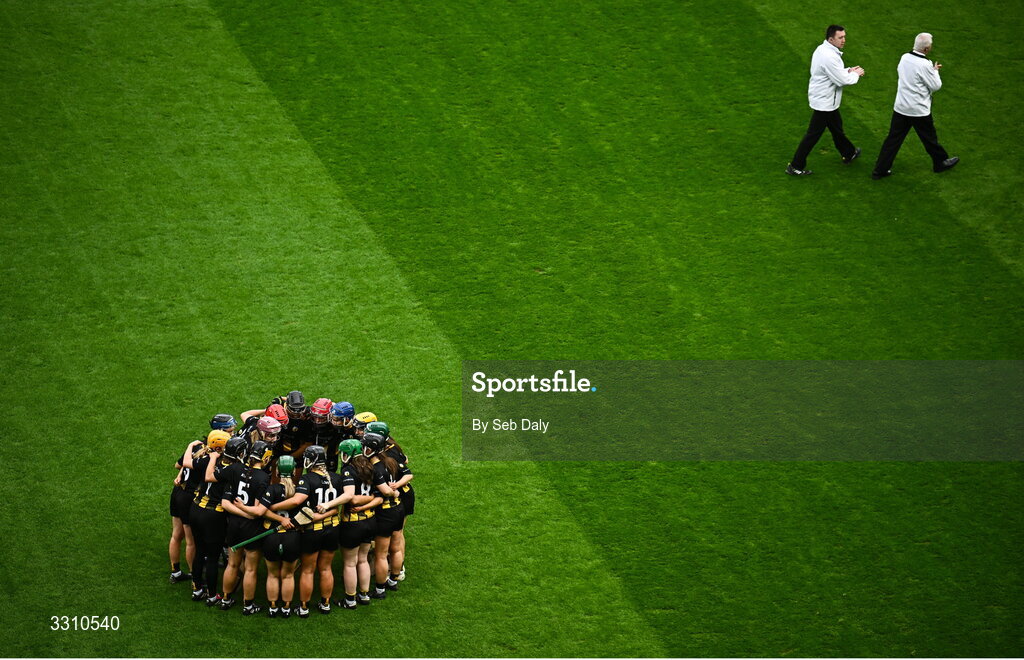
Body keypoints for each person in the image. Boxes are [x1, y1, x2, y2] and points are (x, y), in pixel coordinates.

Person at [871, 33, 959, 179]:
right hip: (918, 110)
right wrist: (935, 71)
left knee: (893, 139)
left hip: (901, 107)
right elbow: (936, 86)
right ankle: (940, 162)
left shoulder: (904, 57)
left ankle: (880, 170)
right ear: (926, 49)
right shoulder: (925, 64)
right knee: (929, 139)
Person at [271, 445, 344, 617]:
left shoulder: (306, 479)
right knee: (326, 568)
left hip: (313, 531)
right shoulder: (336, 477)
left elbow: (297, 501)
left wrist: (272, 507)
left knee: (308, 570)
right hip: (333, 528)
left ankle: (304, 608)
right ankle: (325, 604)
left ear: (310, 461)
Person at [787, 25, 866, 176]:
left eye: (844, 36)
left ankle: (849, 152)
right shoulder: (830, 56)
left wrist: (848, 70)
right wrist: (856, 74)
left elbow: (833, 73)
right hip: (825, 102)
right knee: (813, 134)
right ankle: (796, 165)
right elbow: (841, 80)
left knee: (837, 128)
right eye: (840, 37)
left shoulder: (822, 50)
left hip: (826, 99)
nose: (844, 40)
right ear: (831, 39)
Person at [319, 439, 380, 609]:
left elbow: (349, 496)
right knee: (363, 560)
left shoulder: (348, 471)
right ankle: (365, 594)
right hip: (370, 520)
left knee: (350, 563)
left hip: (353, 524)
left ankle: (350, 599)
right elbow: (377, 494)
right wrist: (369, 501)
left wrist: (327, 505)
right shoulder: (370, 467)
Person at [219, 440, 272, 615]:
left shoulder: (235, 469)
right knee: (250, 568)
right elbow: (257, 511)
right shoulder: (264, 477)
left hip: (233, 525)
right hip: (252, 528)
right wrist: (246, 512)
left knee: (232, 564)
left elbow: (225, 503)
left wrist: (240, 511)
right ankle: (248, 605)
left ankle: (226, 599)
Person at [360, 432, 408, 599]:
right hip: (399, 509)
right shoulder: (391, 461)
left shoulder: (375, 469)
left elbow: (386, 491)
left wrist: (392, 492)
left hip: (385, 513)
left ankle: (380, 589)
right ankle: (393, 581)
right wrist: (397, 491)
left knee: (381, 553)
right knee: (395, 548)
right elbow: (408, 475)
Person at [252, 455, 301, 618]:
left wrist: (279, 519)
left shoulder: (271, 489)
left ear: (277, 471)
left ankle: (273, 607)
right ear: (294, 471)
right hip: (292, 538)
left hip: (271, 536)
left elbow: (262, 511)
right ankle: (286, 607)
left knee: (272, 574)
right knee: (288, 575)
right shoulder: (300, 491)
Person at [367, 421, 415, 582]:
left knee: (396, 537)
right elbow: (406, 462)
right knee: (394, 536)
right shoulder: (388, 450)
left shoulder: (387, 456)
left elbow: (406, 473)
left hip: (399, 498)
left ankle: (397, 569)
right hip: (399, 499)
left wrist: (395, 489)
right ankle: (393, 570)